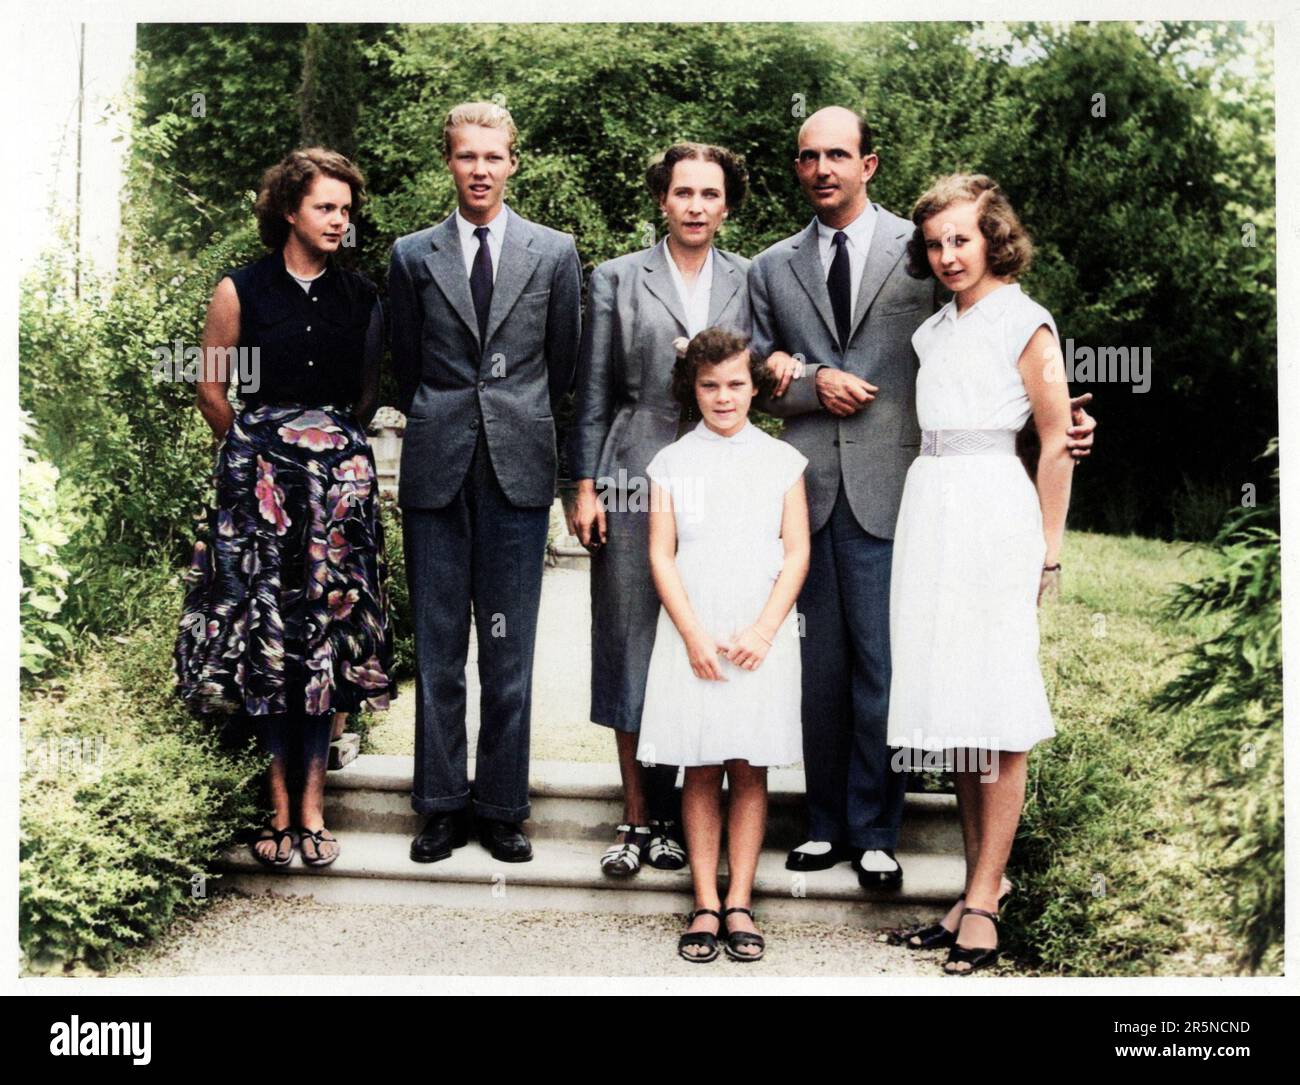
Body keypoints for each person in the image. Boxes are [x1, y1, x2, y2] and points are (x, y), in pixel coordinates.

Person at [750, 106, 1097, 888]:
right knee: (822, 669)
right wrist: (806, 377)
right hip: (816, 488)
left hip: (907, 492)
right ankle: (828, 824)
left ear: (869, 163)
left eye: (839, 153)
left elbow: (1004, 367)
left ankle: (879, 830)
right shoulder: (772, 266)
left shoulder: (919, 256)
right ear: (798, 167)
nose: (823, 168)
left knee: (888, 666)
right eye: (808, 157)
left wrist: (1061, 428)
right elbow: (755, 374)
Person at [175, 147, 394, 870]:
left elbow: (366, 395)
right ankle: (276, 807)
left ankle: (314, 806)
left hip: (336, 491)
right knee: (268, 632)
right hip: (259, 490)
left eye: (345, 208)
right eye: (326, 207)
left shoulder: (361, 296)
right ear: (289, 211)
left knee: (325, 633)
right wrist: (257, 457)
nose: (340, 219)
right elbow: (213, 389)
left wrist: (330, 454)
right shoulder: (242, 289)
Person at [388, 102, 582, 864]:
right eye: (467, 156)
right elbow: (405, 364)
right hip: (438, 466)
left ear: (513, 162)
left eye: (493, 156)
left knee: (509, 650)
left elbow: (560, 363)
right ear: (451, 162)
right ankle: (439, 804)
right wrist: (448, 414)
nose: (480, 169)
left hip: (517, 466)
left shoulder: (554, 252)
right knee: (440, 647)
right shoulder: (412, 255)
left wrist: (514, 417)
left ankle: (502, 805)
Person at [887, 174, 1071, 974]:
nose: (948, 254)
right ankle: (969, 890)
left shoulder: (1025, 320)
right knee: (955, 708)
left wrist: (1049, 547)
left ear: (993, 236)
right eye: (934, 243)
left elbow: (1058, 436)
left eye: (961, 238)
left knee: (995, 702)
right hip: (929, 510)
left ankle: (988, 902)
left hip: (995, 514)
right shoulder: (932, 332)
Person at [567, 142, 753, 877]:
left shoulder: (749, 276)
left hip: (722, 474)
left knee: (701, 633)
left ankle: (683, 819)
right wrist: (584, 484)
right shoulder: (616, 276)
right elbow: (592, 390)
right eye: (684, 193)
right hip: (633, 465)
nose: (697, 207)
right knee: (628, 633)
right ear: (662, 200)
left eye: (710, 194)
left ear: (727, 205)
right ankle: (637, 817)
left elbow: (763, 371)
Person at [638, 328, 810, 963]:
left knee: (748, 763)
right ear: (693, 388)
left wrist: (765, 628)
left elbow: (796, 552)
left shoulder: (781, 461)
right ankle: (705, 900)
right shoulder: (673, 462)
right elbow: (662, 554)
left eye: (736, 384)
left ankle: (741, 898)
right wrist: (691, 635)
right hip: (697, 632)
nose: (723, 396)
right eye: (709, 385)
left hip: (757, 633)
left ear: (754, 386)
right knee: (702, 762)